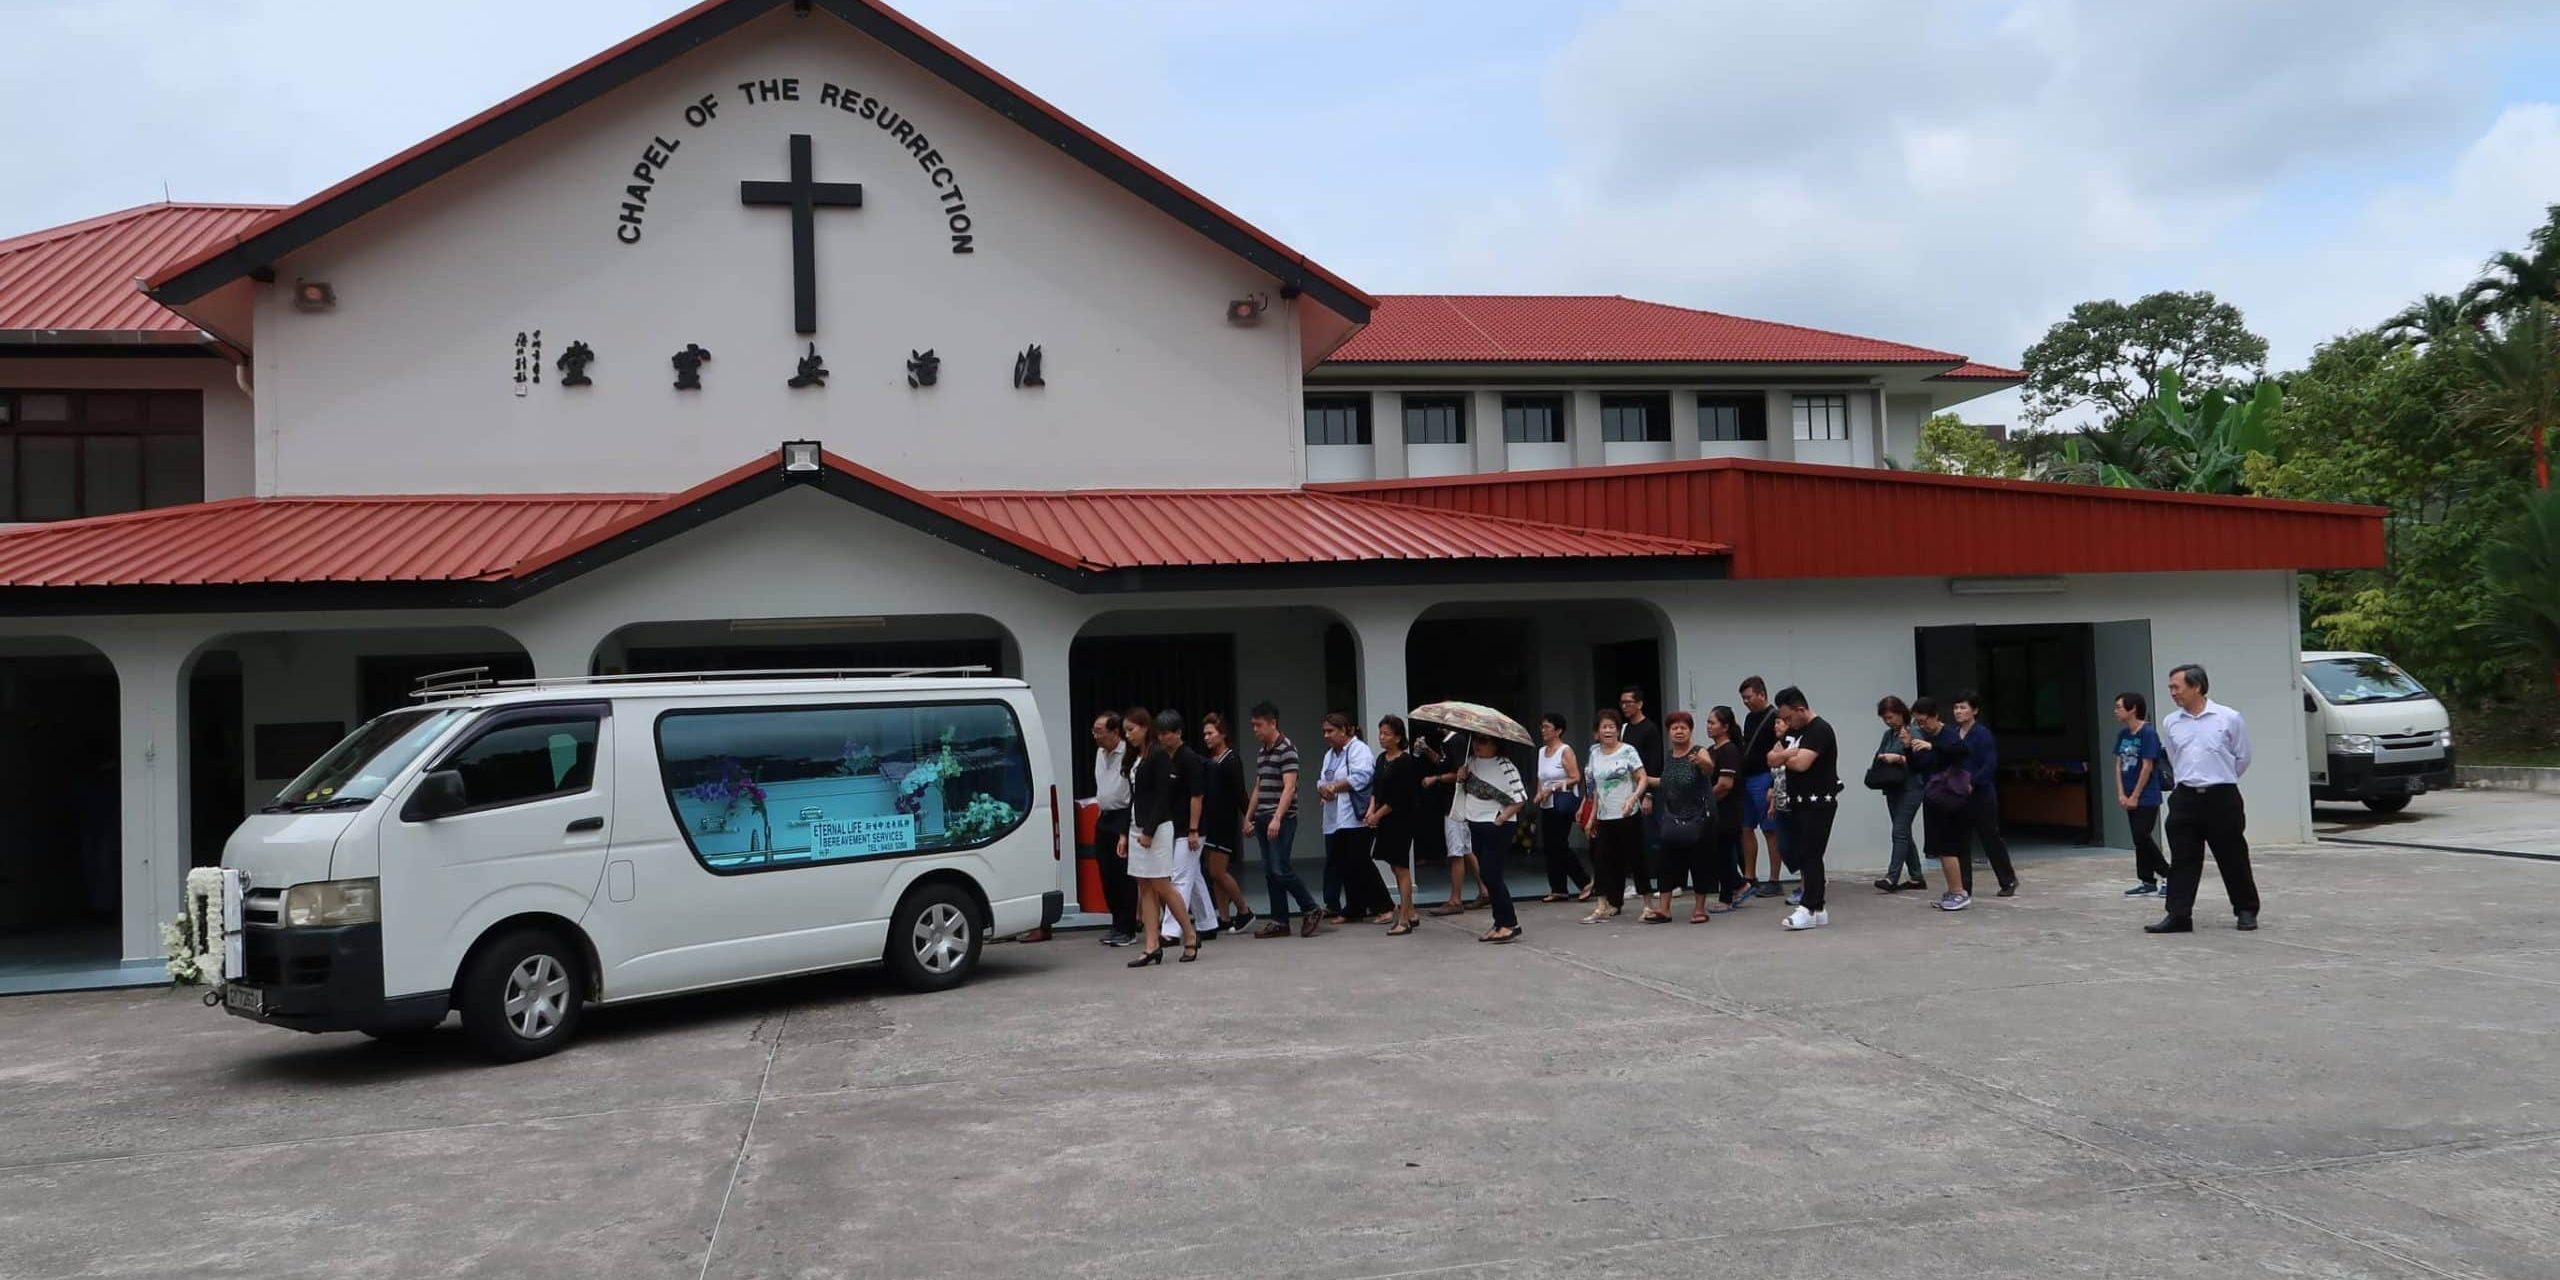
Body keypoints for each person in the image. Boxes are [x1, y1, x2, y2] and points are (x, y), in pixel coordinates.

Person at [2147, 664, 2261, 934]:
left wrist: (2219, 778)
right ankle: (2179, 915)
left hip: (2222, 797)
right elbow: (2174, 758)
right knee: (2183, 858)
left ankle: (2246, 909)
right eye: (2170, 688)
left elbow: (2242, 757)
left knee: (2232, 855)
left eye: (2177, 687)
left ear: (2196, 686)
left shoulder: (2228, 718)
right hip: (2185, 796)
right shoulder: (2171, 722)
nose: (2172, 693)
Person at [1124, 709, 1203, 966]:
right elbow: (1134, 797)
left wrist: (1148, 831)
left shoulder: (1158, 756)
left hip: (1156, 828)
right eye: (1126, 730)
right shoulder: (1137, 756)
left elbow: (1161, 796)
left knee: (1161, 884)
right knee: (1144, 886)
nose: (1128, 735)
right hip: (1137, 826)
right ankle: (1151, 944)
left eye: (1131, 730)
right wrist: (1127, 832)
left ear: (1145, 728)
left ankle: (1190, 935)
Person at [1247, 702, 1322, 939]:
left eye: (1259, 725)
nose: (1255, 730)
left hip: (1281, 817)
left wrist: (1277, 818)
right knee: (1270, 871)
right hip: (1262, 817)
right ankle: (1280, 920)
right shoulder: (1262, 752)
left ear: (1273, 723)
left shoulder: (1287, 749)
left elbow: (1289, 787)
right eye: (1253, 726)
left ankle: (1310, 908)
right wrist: (1249, 816)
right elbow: (1259, 786)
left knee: (1280, 868)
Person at [1769, 686, 1841, 931]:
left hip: (1818, 802)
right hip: (1796, 801)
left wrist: (1786, 756)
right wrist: (1789, 752)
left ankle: (1808, 906)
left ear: (1801, 709)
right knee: (1805, 853)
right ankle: (1818, 907)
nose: (1787, 723)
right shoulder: (1794, 732)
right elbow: (1771, 757)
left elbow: (1801, 764)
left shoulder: (1820, 729)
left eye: (1789, 718)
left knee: (1811, 853)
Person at [1651, 711, 1730, 924]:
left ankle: (1699, 909)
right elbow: (1665, 782)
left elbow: (1709, 768)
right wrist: (1643, 780)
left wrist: (1699, 763)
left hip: (1699, 818)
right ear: (1668, 732)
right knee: (1666, 863)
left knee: (1699, 863)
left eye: (1683, 727)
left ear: (1690, 731)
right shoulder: (1668, 756)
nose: (1679, 731)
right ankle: (1664, 909)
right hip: (1674, 817)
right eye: (1674, 728)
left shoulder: (1699, 752)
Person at [1315, 712, 1394, 925]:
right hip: (1335, 817)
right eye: (1324, 731)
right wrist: (1324, 789)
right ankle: (1354, 908)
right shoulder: (1330, 754)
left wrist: (1335, 787)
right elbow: (1322, 779)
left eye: (1330, 731)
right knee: (1344, 863)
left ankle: (1384, 905)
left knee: (1360, 861)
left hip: (1356, 816)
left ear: (1344, 730)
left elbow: (1362, 776)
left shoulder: (1359, 750)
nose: (1326, 735)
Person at [1153, 714, 1221, 944]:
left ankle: (1171, 931)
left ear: (1179, 732)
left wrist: (1193, 830)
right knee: (1194, 876)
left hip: (1191, 829)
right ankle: (1208, 923)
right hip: (1173, 825)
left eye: (1167, 733)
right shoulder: (1164, 757)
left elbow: (1196, 796)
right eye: (1160, 733)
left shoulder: (1189, 759)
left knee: (1180, 878)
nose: (1163, 738)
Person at [1906, 697, 1976, 911]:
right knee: (1940, 848)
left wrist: (1931, 745)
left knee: (1949, 847)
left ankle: (1959, 892)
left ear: (1935, 716)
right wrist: (1909, 748)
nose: (1922, 726)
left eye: (1924, 721)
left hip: (1951, 799)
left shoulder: (1948, 735)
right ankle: (1953, 890)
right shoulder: (1929, 738)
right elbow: (1921, 766)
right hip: (1935, 797)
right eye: (1917, 722)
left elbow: (1960, 751)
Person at [1580, 708, 1649, 924]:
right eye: (1604, 727)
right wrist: (1591, 817)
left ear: (1618, 730)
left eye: (1612, 727)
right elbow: (1596, 790)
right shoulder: (1594, 755)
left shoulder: (1628, 751)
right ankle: (1603, 905)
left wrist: (1633, 798)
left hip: (1628, 814)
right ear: (1596, 733)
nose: (1608, 730)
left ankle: (1648, 905)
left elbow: (1642, 778)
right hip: (1605, 816)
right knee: (1602, 861)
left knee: (1637, 859)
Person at [1459, 733, 1530, 943]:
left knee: (1491, 873)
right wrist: (1461, 777)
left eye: (1484, 741)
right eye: (1476, 741)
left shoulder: (1505, 766)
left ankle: (1509, 923)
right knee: (1486, 874)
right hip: (1475, 823)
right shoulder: (1469, 762)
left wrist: (1501, 818)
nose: (1478, 745)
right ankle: (1499, 922)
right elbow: (1465, 790)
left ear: (1495, 745)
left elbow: (1520, 798)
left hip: (1497, 826)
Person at [1950, 693, 2019, 898]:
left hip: (1980, 793)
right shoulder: (1954, 734)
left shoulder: (1982, 734)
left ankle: (2008, 879)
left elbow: (1989, 764)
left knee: (1990, 837)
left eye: (1963, 707)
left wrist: (1973, 782)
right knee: (1961, 839)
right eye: (1956, 708)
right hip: (1958, 794)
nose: (1958, 712)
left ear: (1974, 711)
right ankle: (1964, 886)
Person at [1365, 714, 1426, 935]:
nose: (1382, 737)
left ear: (1399, 737)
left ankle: (1404, 919)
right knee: (1393, 864)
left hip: (1400, 819)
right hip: (1384, 819)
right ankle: (1410, 911)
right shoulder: (1381, 759)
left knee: (1401, 867)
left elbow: (1398, 798)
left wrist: (1377, 815)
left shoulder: (1405, 762)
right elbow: (1376, 789)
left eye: (1387, 734)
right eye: (1381, 733)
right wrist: (1371, 810)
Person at [1197, 712, 1255, 931]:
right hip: (1209, 822)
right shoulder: (1210, 760)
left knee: (1218, 871)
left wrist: (1248, 819)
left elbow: (1240, 793)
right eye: (1204, 734)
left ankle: (1244, 910)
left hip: (1224, 822)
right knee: (1212, 873)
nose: (1207, 738)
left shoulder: (1231, 760)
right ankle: (1224, 917)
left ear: (1222, 734)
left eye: (1211, 733)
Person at [1089, 710, 1140, 947]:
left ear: (1115, 732)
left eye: (1100, 732)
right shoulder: (1100, 753)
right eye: (1094, 731)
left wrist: (1126, 829)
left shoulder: (1129, 752)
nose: (1096, 736)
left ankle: (1128, 928)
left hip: (1123, 817)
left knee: (1123, 876)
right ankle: (1116, 923)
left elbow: (1131, 792)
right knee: (1106, 874)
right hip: (1105, 816)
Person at [2111, 692, 2169, 897]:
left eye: (2119, 707)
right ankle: (2147, 880)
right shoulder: (2123, 735)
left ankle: (2168, 874)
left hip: (2146, 795)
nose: (2115, 711)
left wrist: (2135, 795)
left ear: (2132, 708)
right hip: (2127, 794)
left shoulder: (2148, 733)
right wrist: (2121, 793)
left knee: (2142, 836)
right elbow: (2118, 765)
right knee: (2138, 839)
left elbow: (2147, 766)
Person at [1870, 696, 1929, 893]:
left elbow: (1921, 761)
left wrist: (1898, 758)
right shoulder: (1888, 735)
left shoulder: (1914, 731)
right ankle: (1916, 876)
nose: (1888, 721)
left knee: (1899, 831)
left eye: (1891, 717)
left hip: (1912, 787)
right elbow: (1878, 754)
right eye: (1885, 718)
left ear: (1901, 713)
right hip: (1893, 786)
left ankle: (1892, 877)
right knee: (1903, 832)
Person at [1734, 676, 1787, 898]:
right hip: (1747, 777)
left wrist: (1774, 785)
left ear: (1761, 694)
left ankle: (1774, 879)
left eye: (1749, 697)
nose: (1746, 702)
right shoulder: (1748, 718)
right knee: (1746, 827)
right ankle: (1750, 876)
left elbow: (1782, 750)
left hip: (1765, 777)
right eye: (1743, 698)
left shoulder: (1775, 717)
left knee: (1770, 829)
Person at [1532, 712, 1590, 902]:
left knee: (1559, 845)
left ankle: (1585, 882)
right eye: (1542, 727)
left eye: (1547, 727)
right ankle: (1558, 888)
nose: (1543, 730)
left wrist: (1553, 788)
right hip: (1547, 804)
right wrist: (1539, 793)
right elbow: (1542, 778)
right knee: (1549, 847)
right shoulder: (1542, 751)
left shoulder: (1564, 750)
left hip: (1561, 803)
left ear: (1558, 731)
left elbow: (1575, 777)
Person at [1618, 686, 1667, 903]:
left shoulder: (1650, 729)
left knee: (1655, 838)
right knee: (1635, 839)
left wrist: (1648, 794)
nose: (1625, 706)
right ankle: (1640, 883)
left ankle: (1667, 881)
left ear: (1639, 704)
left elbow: (1654, 762)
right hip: (1630, 790)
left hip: (1647, 790)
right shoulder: (1625, 729)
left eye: (1629, 702)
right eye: (1623, 703)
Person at [1422, 732, 1479, 916]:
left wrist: (1436, 779)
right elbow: (1443, 763)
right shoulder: (1447, 742)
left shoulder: (1458, 741)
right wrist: (1427, 750)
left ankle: (1455, 900)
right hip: (1451, 802)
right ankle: (1485, 889)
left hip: (1455, 804)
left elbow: (1458, 774)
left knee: (1456, 852)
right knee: (1466, 849)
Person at [1705, 706, 1750, 911]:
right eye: (1708, 722)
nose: (1709, 727)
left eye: (1712, 723)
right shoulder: (1711, 750)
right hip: (1713, 811)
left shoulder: (1729, 750)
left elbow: (1725, 784)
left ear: (1725, 727)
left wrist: (1705, 799)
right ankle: (1739, 885)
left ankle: (1728, 896)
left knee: (1723, 853)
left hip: (1727, 811)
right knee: (1715, 853)